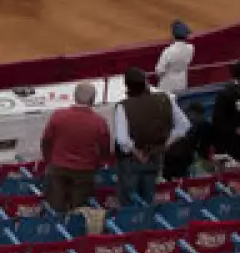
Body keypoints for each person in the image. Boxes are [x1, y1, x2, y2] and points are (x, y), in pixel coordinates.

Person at [112, 67, 188, 205]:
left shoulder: (123, 106)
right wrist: (164, 146)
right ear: (146, 82)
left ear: (127, 86)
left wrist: (137, 153)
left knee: (129, 203)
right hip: (155, 158)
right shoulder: (165, 99)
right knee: (148, 198)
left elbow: (122, 140)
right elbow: (184, 126)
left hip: (131, 161)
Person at [40, 81, 110, 211]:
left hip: (58, 168)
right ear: (93, 100)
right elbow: (105, 149)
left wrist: (49, 160)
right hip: (85, 171)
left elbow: (46, 140)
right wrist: (99, 163)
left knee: (55, 207)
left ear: (74, 96)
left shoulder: (58, 116)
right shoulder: (99, 122)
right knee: (78, 210)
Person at [154, 20, 194, 96]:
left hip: (167, 84)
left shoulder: (168, 51)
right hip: (182, 81)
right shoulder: (191, 48)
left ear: (173, 35)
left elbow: (159, 71)